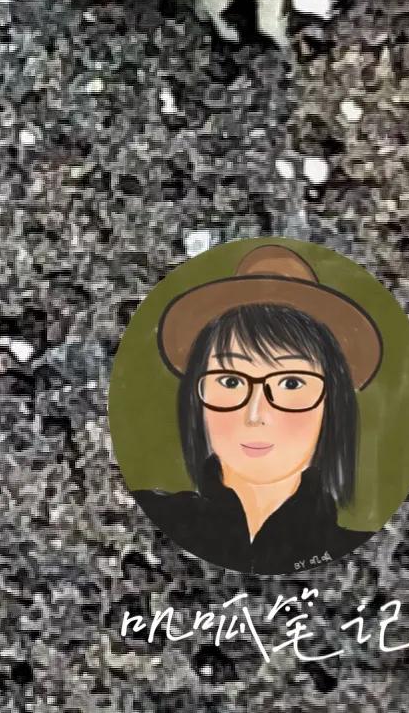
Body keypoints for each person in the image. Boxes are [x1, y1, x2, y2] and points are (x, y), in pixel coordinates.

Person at [135, 244, 381, 578]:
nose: (256, 414)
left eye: (291, 384)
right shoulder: (144, 526)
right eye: (231, 382)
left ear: (332, 402)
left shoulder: (355, 560)